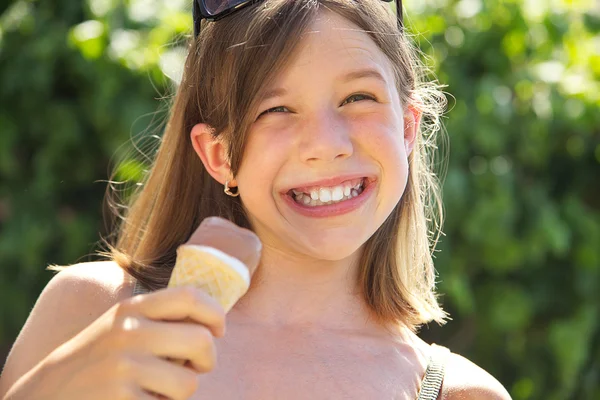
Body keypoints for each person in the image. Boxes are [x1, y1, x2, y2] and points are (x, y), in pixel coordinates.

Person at [0, 0, 512, 399]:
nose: (326, 144)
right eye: (277, 109)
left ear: (405, 128)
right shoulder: (94, 312)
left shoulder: (456, 394)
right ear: (219, 155)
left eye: (358, 98)